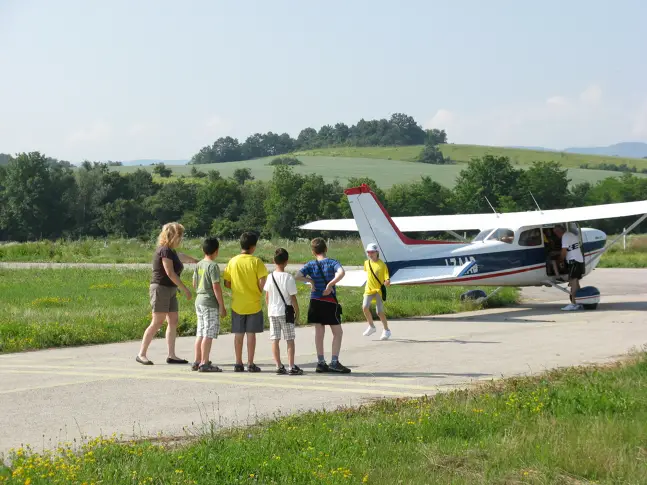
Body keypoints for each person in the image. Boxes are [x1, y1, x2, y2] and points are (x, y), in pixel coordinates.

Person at [137, 222, 198, 365]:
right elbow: (170, 272)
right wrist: (185, 289)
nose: (181, 239)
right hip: (160, 288)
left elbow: (181, 257)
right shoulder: (164, 250)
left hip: (170, 289)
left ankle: (171, 355)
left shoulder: (172, 252)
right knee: (157, 321)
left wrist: (197, 261)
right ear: (172, 236)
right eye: (179, 236)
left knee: (173, 320)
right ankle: (141, 354)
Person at [295, 237, 349, 373]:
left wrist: (311, 281)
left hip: (315, 301)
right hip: (329, 301)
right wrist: (330, 284)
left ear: (313, 251)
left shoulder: (310, 264)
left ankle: (320, 362)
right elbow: (342, 273)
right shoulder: (332, 263)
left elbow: (297, 276)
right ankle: (334, 361)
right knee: (338, 332)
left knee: (319, 333)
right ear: (326, 249)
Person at [223, 232, 268, 372]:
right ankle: (250, 363)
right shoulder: (257, 262)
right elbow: (262, 283)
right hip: (253, 303)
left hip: (238, 304)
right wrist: (259, 291)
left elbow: (227, 282)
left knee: (238, 334)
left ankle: (238, 362)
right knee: (251, 335)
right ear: (253, 247)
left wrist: (237, 288)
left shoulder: (233, 261)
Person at [264, 248, 303, 375]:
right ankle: (291, 366)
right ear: (286, 262)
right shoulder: (288, 277)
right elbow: (292, 297)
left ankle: (278, 365)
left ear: (273, 261)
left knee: (275, 339)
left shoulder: (270, 277)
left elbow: (267, 296)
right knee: (290, 339)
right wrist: (297, 311)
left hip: (272, 311)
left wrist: (269, 307)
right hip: (285, 312)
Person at [191, 237, 226, 372]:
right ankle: (205, 362)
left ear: (203, 250)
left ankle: (197, 360)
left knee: (200, 331)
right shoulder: (213, 266)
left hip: (199, 300)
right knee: (208, 333)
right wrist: (221, 306)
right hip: (209, 303)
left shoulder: (199, 264)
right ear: (216, 251)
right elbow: (216, 286)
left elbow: (194, 283)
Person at [362, 243, 391, 340]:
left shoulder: (382, 265)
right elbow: (367, 273)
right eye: (368, 252)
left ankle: (386, 330)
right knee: (365, 307)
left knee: (379, 312)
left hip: (378, 290)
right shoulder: (366, 263)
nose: (370, 254)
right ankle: (371, 326)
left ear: (377, 252)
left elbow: (386, 277)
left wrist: (387, 281)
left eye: (372, 252)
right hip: (368, 289)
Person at [554, 224, 585, 311]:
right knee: (576, 282)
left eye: (556, 232)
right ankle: (579, 302)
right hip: (578, 260)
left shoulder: (565, 237)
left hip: (573, 261)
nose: (556, 234)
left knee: (573, 282)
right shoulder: (570, 234)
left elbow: (564, 252)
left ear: (559, 231)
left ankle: (574, 304)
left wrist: (559, 261)